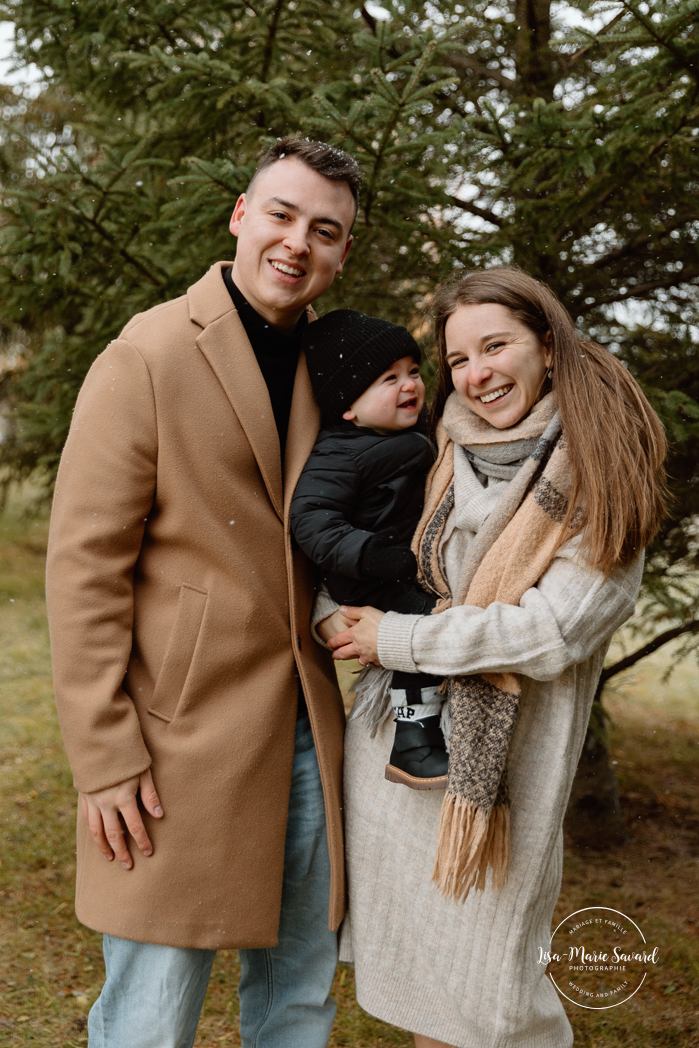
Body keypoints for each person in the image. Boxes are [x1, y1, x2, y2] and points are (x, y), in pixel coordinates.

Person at [45, 136, 359, 1048]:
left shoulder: (335, 366)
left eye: (325, 230)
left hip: (308, 727)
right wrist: (104, 756)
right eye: (282, 214)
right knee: (151, 1012)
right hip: (174, 742)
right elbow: (83, 566)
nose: (298, 243)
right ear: (240, 214)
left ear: (342, 254)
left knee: (297, 1001)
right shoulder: (145, 354)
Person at [318, 268, 666, 1048]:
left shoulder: (600, 470)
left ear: (546, 343)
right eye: (459, 358)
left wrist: (396, 638)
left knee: (493, 1002)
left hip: (499, 787)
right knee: (424, 999)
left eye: (495, 345)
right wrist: (337, 624)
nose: (476, 375)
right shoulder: (434, 448)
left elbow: (550, 631)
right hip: (398, 764)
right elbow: (355, 556)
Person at [290, 309, 448, 789]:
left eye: (413, 373)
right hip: (367, 578)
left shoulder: (408, 437)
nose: (409, 386)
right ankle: (413, 740)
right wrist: (371, 554)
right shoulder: (338, 455)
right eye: (388, 379)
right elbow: (312, 522)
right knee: (420, 622)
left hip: (392, 565)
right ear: (348, 407)